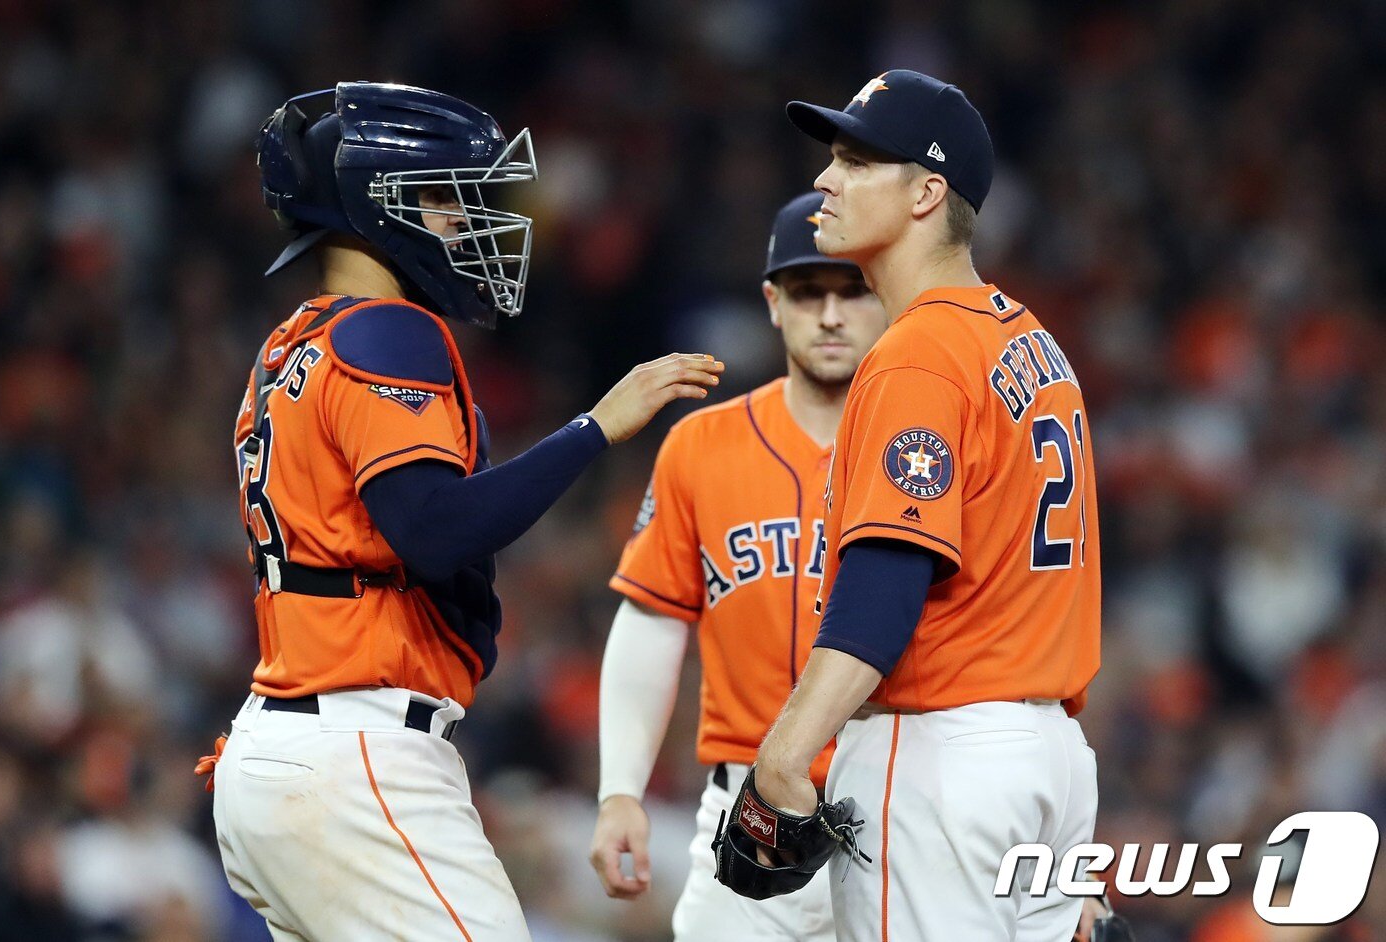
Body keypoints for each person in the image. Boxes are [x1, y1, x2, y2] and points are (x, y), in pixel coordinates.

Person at [202, 81, 723, 942]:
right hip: (358, 753)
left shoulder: (289, 344)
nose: (463, 220)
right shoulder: (387, 331)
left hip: (279, 753)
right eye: (442, 197)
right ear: (378, 205)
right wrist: (597, 427)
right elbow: (435, 530)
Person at [741, 70, 1103, 941]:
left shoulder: (919, 355)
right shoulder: (1027, 338)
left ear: (926, 193)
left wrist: (784, 753)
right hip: (1049, 761)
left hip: (941, 755)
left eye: (856, 161)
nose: (825, 181)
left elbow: (885, 585)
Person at [589, 192, 888, 940]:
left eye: (852, 290)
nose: (829, 314)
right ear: (772, 302)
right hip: (748, 817)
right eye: (807, 291)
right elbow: (653, 619)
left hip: (899, 804)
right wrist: (619, 790)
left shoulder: (926, 447)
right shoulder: (701, 446)